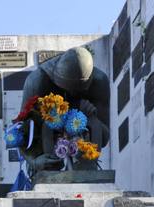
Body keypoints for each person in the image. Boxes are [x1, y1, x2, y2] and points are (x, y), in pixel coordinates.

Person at [20, 47, 110, 176]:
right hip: (44, 155)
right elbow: (20, 135)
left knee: (92, 123)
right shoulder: (37, 81)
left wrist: (90, 115)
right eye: (67, 89)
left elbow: (105, 139)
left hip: (83, 160)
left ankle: (86, 168)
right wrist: (34, 161)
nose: (72, 94)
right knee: (48, 125)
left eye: (79, 90)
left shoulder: (99, 82)